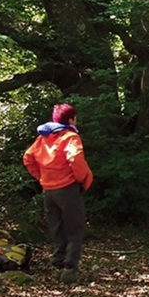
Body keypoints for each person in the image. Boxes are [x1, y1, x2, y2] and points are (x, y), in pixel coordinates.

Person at [23, 103, 94, 283]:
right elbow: (75, 158)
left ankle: (58, 265)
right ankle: (69, 270)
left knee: (56, 228)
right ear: (71, 120)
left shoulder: (43, 138)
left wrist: (41, 177)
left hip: (49, 191)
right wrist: (82, 179)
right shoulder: (70, 137)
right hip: (67, 189)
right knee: (75, 228)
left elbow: (28, 158)